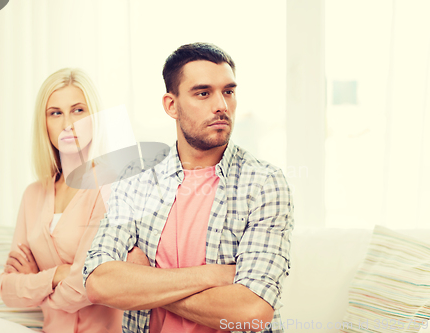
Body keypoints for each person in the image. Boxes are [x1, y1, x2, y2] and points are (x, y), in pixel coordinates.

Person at [83, 43, 294, 333]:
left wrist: (144, 282)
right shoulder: (137, 178)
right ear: (172, 105)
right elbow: (99, 282)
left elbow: (251, 311)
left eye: (228, 92)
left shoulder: (263, 183)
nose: (221, 105)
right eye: (203, 93)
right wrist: (212, 276)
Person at [0, 68, 123, 333]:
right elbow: (7, 290)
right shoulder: (33, 194)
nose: (67, 123)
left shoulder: (110, 185)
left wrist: (34, 281)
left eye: (78, 110)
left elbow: (85, 286)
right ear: (44, 123)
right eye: (55, 113)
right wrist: (57, 274)